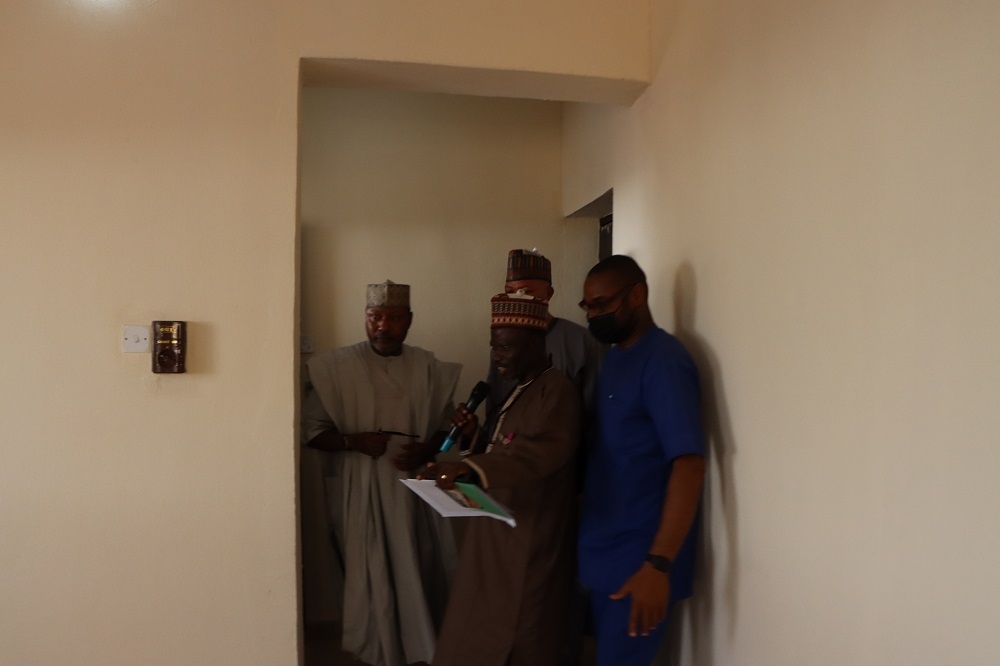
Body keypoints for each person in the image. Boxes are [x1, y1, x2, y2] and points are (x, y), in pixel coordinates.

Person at [302, 280, 461, 666]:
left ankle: (423, 647)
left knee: (419, 564)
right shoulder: (333, 368)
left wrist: (427, 449)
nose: (383, 326)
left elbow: (447, 428)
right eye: (375, 317)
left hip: (415, 489)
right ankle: (377, 651)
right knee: (368, 569)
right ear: (365, 318)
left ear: (409, 321)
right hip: (363, 488)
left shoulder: (427, 368)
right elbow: (311, 431)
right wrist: (351, 441)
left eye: (393, 318)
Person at [425, 293, 582, 666]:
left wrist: (472, 470)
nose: (497, 356)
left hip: (530, 536)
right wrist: (473, 441)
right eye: (494, 347)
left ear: (535, 342)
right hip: (496, 535)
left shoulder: (556, 390)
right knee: (475, 629)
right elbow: (503, 449)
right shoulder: (517, 392)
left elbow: (535, 453)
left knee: (521, 633)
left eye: (506, 347)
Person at [576, 255, 706, 666]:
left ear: (637, 294)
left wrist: (658, 564)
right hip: (604, 549)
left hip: (639, 560)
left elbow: (689, 464)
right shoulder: (616, 357)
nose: (594, 315)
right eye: (588, 307)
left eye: (602, 304)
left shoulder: (664, 361)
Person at [486, 249, 603, 417]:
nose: (517, 299)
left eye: (526, 292)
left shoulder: (581, 341)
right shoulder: (501, 348)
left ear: (548, 294)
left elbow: (594, 413)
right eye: (510, 291)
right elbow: (494, 412)